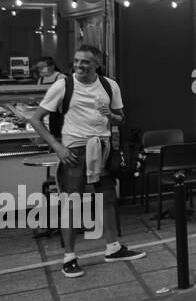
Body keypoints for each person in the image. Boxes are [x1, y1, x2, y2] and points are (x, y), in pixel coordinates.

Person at [27, 45, 146, 277]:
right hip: (75, 151)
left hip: (102, 148)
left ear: (97, 64)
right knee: (72, 204)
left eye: (85, 62)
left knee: (108, 199)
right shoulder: (63, 85)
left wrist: (110, 116)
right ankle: (69, 257)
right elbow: (36, 119)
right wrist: (58, 147)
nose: (79, 66)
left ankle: (113, 248)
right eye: (77, 61)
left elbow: (121, 119)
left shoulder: (110, 85)